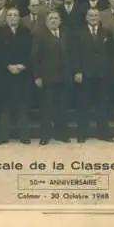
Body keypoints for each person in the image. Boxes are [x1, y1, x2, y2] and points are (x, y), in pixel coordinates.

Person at [73, 8, 114, 143]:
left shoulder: (106, 32)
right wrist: (77, 71)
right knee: (83, 104)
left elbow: (112, 53)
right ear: (86, 18)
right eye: (91, 15)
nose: (94, 17)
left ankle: (103, 132)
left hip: (102, 74)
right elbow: (75, 53)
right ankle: (82, 133)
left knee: (102, 104)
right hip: (85, 74)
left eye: (96, 15)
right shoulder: (79, 32)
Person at [32, 11, 73, 145]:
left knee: (62, 107)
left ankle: (62, 134)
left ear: (60, 21)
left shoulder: (66, 32)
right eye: (51, 18)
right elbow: (35, 57)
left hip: (64, 76)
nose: (54, 20)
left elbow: (71, 52)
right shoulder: (39, 34)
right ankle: (45, 135)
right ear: (46, 21)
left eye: (56, 18)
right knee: (47, 107)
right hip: (47, 77)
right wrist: (37, 76)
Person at [0, 8, 33, 145]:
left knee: (23, 104)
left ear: (19, 18)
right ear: (6, 18)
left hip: (23, 74)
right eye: (10, 15)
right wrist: (7, 66)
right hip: (5, 74)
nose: (13, 17)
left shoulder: (26, 32)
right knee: (5, 105)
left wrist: (24, 65)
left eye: (15, 15)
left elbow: (31, 52)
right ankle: (3, 135)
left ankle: (24, 135)